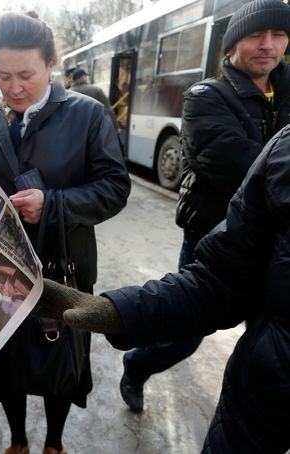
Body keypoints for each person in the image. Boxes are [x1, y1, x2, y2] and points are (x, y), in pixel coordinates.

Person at [36, 116, 290, 452]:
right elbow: (221, 281)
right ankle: (137, 367)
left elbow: (112, 185)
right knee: (184, 342)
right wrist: (118, 311)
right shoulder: (282, 146)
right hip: (262, 410)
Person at [0, 11, 130, 454]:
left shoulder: (87, 115)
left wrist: (55, 205)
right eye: (3, 75)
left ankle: (54, 442)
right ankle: (18, 440)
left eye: (26, 74)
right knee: (7, 366)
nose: (13, 88)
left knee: (59, 361)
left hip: (62, 267)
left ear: (51, 65)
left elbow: (115, 187)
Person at [119, 0, 290, 414]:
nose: (268, 44)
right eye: (255, 35)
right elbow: (234, 163)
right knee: (183, 335)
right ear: (231, 46)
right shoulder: (205, 97)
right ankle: (137, 366)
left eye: (279, 34)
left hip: (276, 249)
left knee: (269, 348)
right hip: (215, 240)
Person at [68, 68, 120, 133]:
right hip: (93, 130)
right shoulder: (96, 90)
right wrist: (116, 126)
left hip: (73, 130)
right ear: (84, 77)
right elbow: (108, 110)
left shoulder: (68, 93)